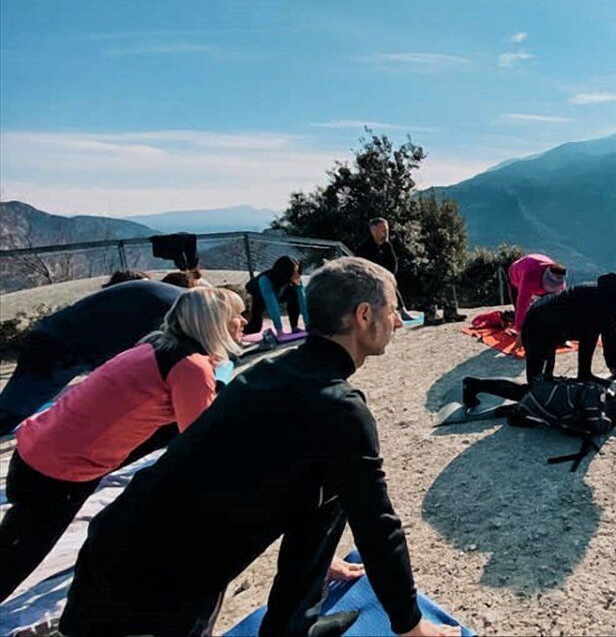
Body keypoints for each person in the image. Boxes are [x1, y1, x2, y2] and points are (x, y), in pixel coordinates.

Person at [60, 257, 460, 637]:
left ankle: (293, 626)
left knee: (335, 481)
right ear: (363, 316)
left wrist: (319, 563)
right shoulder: (337, 407)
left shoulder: (277, 370)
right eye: (392, 310)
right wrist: (409, 623)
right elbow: (378, 526)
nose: (397, 321)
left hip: (123, 543)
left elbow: (305, 489)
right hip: (148, 584)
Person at [0, 288, 246, 601]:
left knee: (14, 543)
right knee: (14, 559)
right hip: (57, 473)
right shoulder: (190, 367)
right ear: (214, 323)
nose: (242, 320)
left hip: (35, 450)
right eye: (235, 315)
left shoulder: (154, 345)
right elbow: (200, 442)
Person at [463, 259, 616, 407]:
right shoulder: (606, 302)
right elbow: (613, 348)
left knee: (590, 333)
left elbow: (594, 336)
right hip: (538, 328)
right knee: (536, 390)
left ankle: (584, 375)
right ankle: (473, 385)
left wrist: (593, 376)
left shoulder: (605, 294)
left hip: (549, 325)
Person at [0, 280, 185, 434]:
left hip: (68, 340)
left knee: (16, 406)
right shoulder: (172, 312)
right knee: (11, 411)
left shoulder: (179, 301)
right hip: (59, 346)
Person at [354, 217, 417, 321]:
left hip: (384, 279)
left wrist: (386, 276)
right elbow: (362, 270)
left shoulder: (387, 246)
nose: (386, 233)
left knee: (390, 282)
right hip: (368, 283)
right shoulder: (363, 249)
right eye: (383, 230)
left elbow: (393, 265)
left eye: (387, 230)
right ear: (373, 230)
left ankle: (402, 311)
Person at [507, 253, 567, 348]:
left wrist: (563, 334)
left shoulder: (559, 278)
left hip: (538, 269)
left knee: (552, 309)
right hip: (517, 274)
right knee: (523, 312)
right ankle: (516, 323)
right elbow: (522, 303)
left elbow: (562, 305)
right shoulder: (530, 276)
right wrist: (520, 332)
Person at [244, 255, 309, 335]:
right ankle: (241, 331)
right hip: (258, 294)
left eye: (298, 271)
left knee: (294, 295)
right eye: (294, 272)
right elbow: (272, 305)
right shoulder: (265, 279)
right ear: (285, 272)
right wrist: (279, 330)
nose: (297, 275)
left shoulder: (295, 278)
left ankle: (294, 327)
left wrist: (308, 325)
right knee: (255, 327)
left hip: (279, 292)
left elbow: (303, 301)